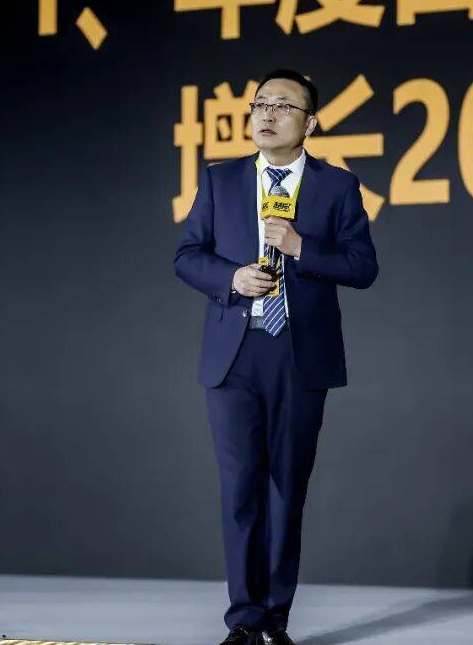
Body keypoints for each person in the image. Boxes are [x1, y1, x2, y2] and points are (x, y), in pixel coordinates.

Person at [174, 69, 379, 645]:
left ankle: (274, 619)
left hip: (298, 354)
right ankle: (243, 618)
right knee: (240, 486)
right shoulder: (221, 180)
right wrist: (232, 278)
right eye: (260, 103)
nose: (267, 113)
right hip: (235, 354)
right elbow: (187, 255)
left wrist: (300, 247)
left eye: (283, 105)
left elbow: (363, 267)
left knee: (286, 487)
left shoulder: (337, 187)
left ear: (309, 123)